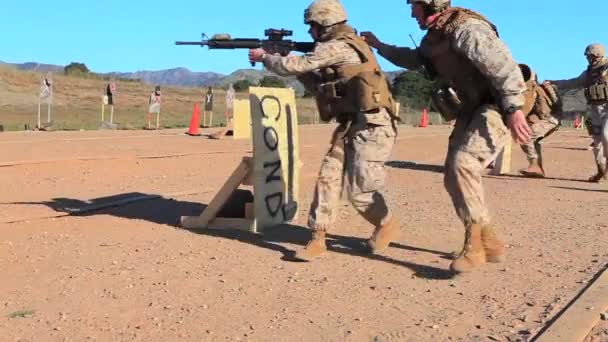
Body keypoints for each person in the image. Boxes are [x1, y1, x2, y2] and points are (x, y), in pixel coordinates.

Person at [361, 0, 531, 273]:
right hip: (472, 106)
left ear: (431, 4)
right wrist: (379, 45)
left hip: (497, 104)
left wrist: (513, 108)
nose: (411, 12)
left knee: (464, 163)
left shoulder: (467, 29)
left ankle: (474, 247)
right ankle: (488, 240)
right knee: (453, 175)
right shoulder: (435, 37)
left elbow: (505, 68)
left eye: (415, 6)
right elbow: (414, 60)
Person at [248, 0, 400, 261]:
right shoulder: (335, 47)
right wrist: (284, 58)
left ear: (324, 25)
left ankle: (386, 223)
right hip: (351, 122)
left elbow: (294, 66)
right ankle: (318, 237)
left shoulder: (339, 46)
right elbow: (316, 84)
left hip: (373, 125)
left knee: (361, 190)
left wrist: (266, 57)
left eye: (312, 26)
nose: (309, 33)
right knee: (328, 177)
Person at [548, 44, 608, 182]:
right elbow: (574, 82)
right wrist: (554, 83)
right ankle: (601, 170)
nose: (590, 59)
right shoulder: (589, 72)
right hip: (595, 109)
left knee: (606, 135)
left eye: (592, 56)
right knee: (597, 142)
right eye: (588, 56)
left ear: (599, 55)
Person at [517, 64, 561, 177]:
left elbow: (526, 109)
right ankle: (538, 169)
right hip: (552, 120)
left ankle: (534, 165)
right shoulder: (539, 88)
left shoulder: (532, 90)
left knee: (525, 137)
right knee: (533, 141)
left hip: (549, 120)